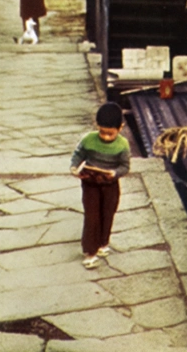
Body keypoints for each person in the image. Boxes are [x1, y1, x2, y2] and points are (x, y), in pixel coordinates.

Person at [70, 102, 130, 268]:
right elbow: (78, 154)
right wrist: (74, 167)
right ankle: (90, 252)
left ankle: (103, 242)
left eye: (110, 134)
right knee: (92, 216)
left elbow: (125, 166)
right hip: (90, 183)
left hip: (110, 184)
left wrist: (114, 173)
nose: (105, 137)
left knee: (108, 213)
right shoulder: (89, 139)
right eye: (102, 132)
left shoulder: (123, 145)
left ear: (120, 128)